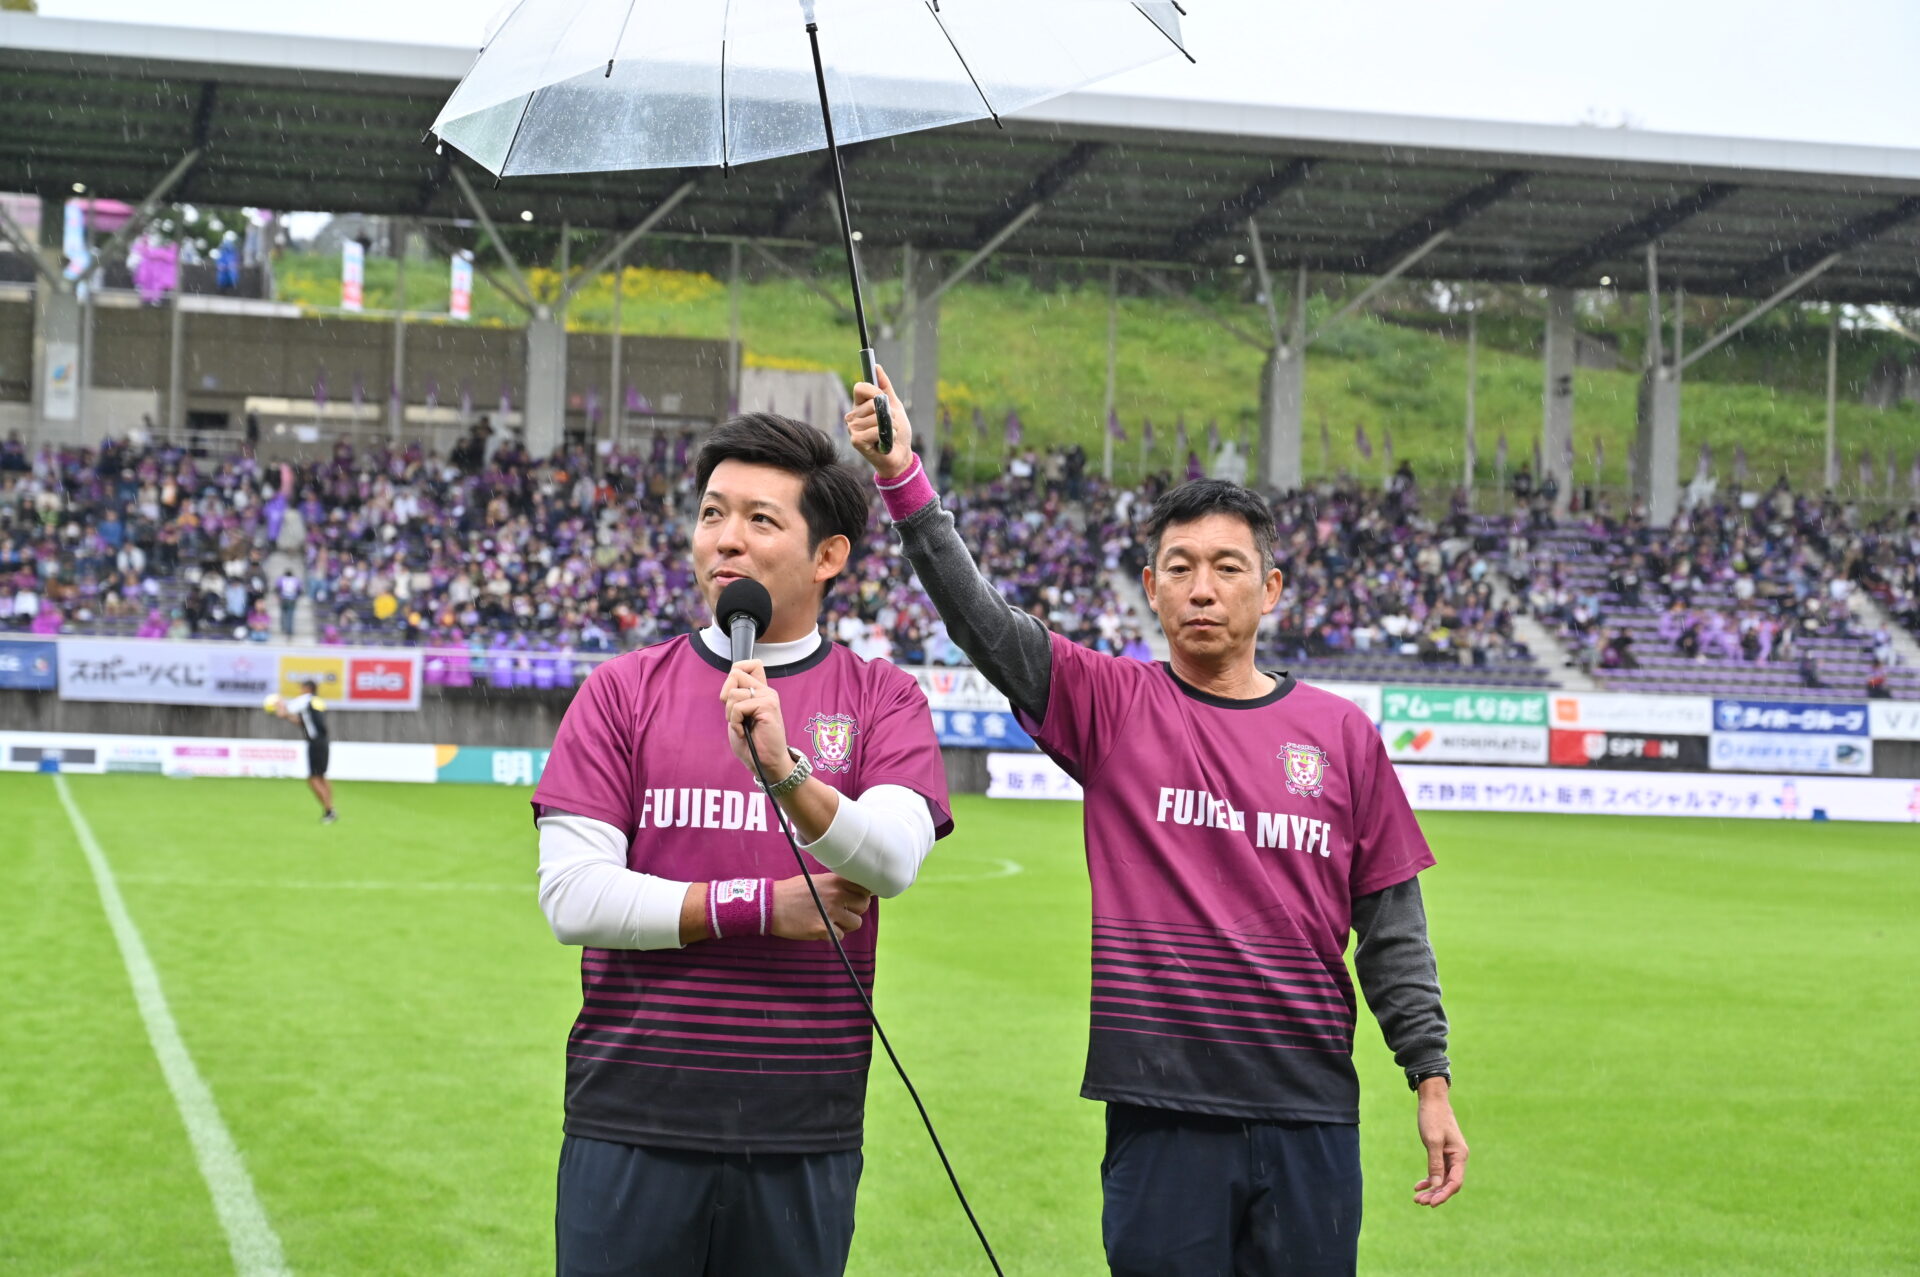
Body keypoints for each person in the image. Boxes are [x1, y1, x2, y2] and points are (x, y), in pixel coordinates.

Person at [848, 367, 1466, 1277]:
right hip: (1158, 1107)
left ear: (1272, 588)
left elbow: (1393, 929)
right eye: (1180, 568)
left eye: (1228, 568)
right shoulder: (1112, 704)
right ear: (1150, 586)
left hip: (1310, 1114)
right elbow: (983, 623)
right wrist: (904, 480)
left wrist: (1430, 1078)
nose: (1203, 588)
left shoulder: (1341, 735)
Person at [528, 413, 953, 1277]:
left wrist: (787, 774)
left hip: (802, 1127)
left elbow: (892, 859)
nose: (725, 538)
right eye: (712, 513)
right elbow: (572, 895)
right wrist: (760, 906)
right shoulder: (622, 690)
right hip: (631, 1115)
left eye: (761, 519)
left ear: (828, 555)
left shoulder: (882, 697)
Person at [271, 678, 335, 823]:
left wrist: (278, 703)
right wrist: (288, 715)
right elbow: (303, 722)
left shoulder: (305, 699)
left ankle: (329, 811)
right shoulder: (317, 701)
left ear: (307, 689)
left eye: (301, 688)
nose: (300, 691)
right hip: (323, 742)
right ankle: (330, 808)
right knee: (321, 776)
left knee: (313, 779)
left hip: (315, 743)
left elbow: (282, 712)